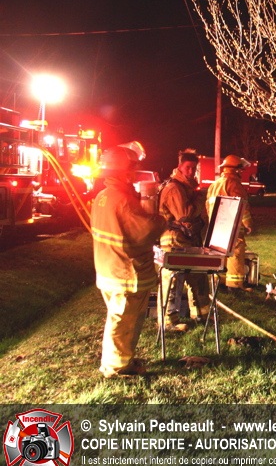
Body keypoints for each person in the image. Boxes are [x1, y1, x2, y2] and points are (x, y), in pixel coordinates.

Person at [91, 142, 166, 378]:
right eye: (132, 168)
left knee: (118, 318)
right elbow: (145, 231)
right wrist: (160, 218)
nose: (134, 173)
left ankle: (121, 360)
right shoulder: (123, 200)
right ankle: (117, 367)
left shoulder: (103, 196)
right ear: (123, 171)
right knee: (124, 321)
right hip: (125, 273)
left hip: (108, 269)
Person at [158, 149, 210, 330]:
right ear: (179, 167)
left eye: (194, 168)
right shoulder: (174, 188)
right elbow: (185, 215)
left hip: (187, 239)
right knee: (173, 282)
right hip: (173, 241)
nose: (191, 171)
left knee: (198, 277)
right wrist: (200, 199)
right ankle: (168, 323)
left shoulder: (187, 188)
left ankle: (202, 316)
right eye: (188, 167)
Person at [206, 154, 254, 290]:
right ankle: (235, 285)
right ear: (236, 169)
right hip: (231, 225)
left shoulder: (214, 185)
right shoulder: (234, 184)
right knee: (235, 252)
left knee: (220, 253)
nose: (242, 172)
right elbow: (241, 205)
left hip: (216, 226)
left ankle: (219, 281)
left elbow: (207, 206)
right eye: (241, 170)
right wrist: (248, 224)